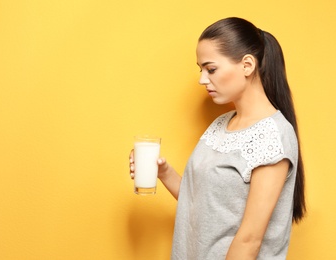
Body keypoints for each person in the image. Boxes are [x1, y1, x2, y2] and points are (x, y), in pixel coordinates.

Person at [129, 17, 306, 259]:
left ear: (247, 65)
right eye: (200, 69)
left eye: (211, 69)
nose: (202, 79)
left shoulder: (273, 136)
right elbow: (204, 207)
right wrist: (164, 173)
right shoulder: (220, 125)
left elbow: (249, 240)